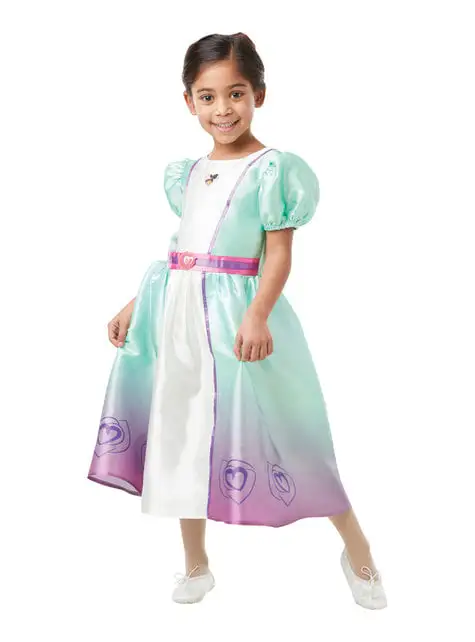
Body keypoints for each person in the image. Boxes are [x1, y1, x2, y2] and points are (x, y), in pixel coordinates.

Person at [87, 32, 387, 609]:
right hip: (178, 319)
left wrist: (257, 314)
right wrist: (135, 303)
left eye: (236, 94)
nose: (222, 109)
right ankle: (195, 565)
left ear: (259, 95)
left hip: (238, 320)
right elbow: (181, 251)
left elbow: (278, 254)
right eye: (208, 97)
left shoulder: (272, 170)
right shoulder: (188, 172)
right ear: (189, 102)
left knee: (293, 433)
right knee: (183, 432)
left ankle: (359, 551)